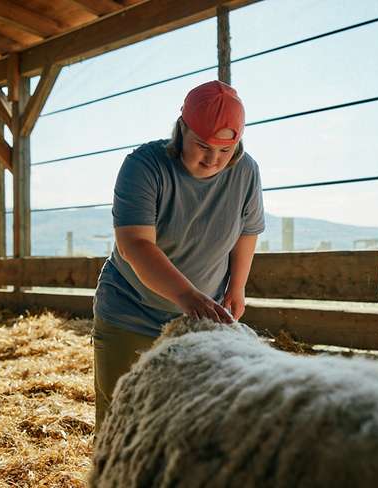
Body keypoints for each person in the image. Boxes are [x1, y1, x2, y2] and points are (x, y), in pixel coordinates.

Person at [92, 80, 265, 432]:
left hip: (201, 317)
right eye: (202, 146)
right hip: (131, 309)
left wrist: (237, 286)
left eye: (225, 149)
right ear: (181, 129)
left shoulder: (246, 172)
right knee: (121, 420)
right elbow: (135, 244)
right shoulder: (144, 166)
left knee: (190, 422)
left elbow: (247, 231)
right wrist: (187, 296)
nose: (213, 159)